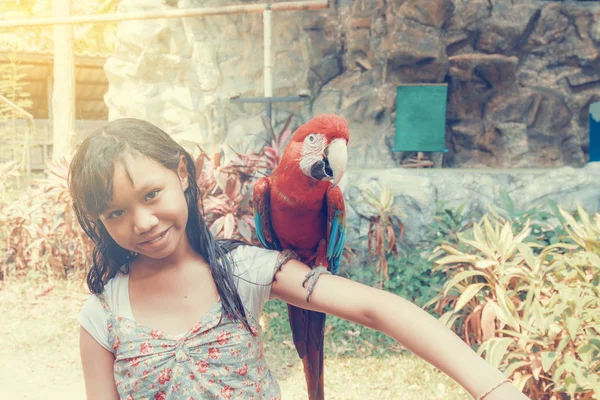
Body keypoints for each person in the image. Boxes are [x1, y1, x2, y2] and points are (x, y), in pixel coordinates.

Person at [70, 118, 530, 400]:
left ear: (182, 174)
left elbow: (379, 308)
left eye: (152, 195)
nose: (144, 221)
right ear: (98, 220)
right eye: (116, 212)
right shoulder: (103, 315)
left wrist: (493, 387)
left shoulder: (242, 269)